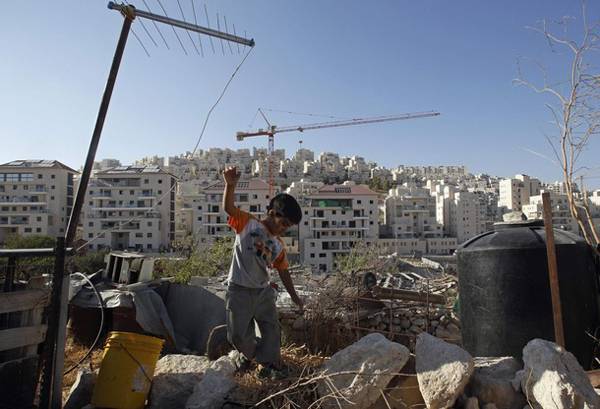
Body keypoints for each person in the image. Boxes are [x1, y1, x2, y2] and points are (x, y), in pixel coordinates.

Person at [222, 166, 304, 379]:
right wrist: (229, 185)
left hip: (263, 293)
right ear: (272, 213)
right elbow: (229, 208)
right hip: (239, 291)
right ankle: (251, 358)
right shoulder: (247, 223)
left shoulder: (278, 246)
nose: (284, 229)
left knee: (271, 332)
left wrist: (295, 297)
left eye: (288, 227)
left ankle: (270, 366)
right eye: (283, 223)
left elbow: (284, 272)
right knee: (238, 336)